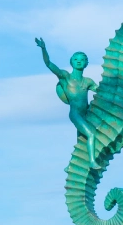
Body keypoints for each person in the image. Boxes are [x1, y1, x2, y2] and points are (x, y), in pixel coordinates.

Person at [36, 37, 103, 168]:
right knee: (91, 134)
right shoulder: (66, 77)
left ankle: (72, 166)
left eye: (82, 60)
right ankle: (92, 162)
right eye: (76, 59)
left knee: (81, 141)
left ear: (86, 63)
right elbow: (49, 64)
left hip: (86, 114)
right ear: (71, 62)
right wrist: (43, 49)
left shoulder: (88, 81)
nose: (79, 61)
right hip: (75, 114)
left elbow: (101, 91)